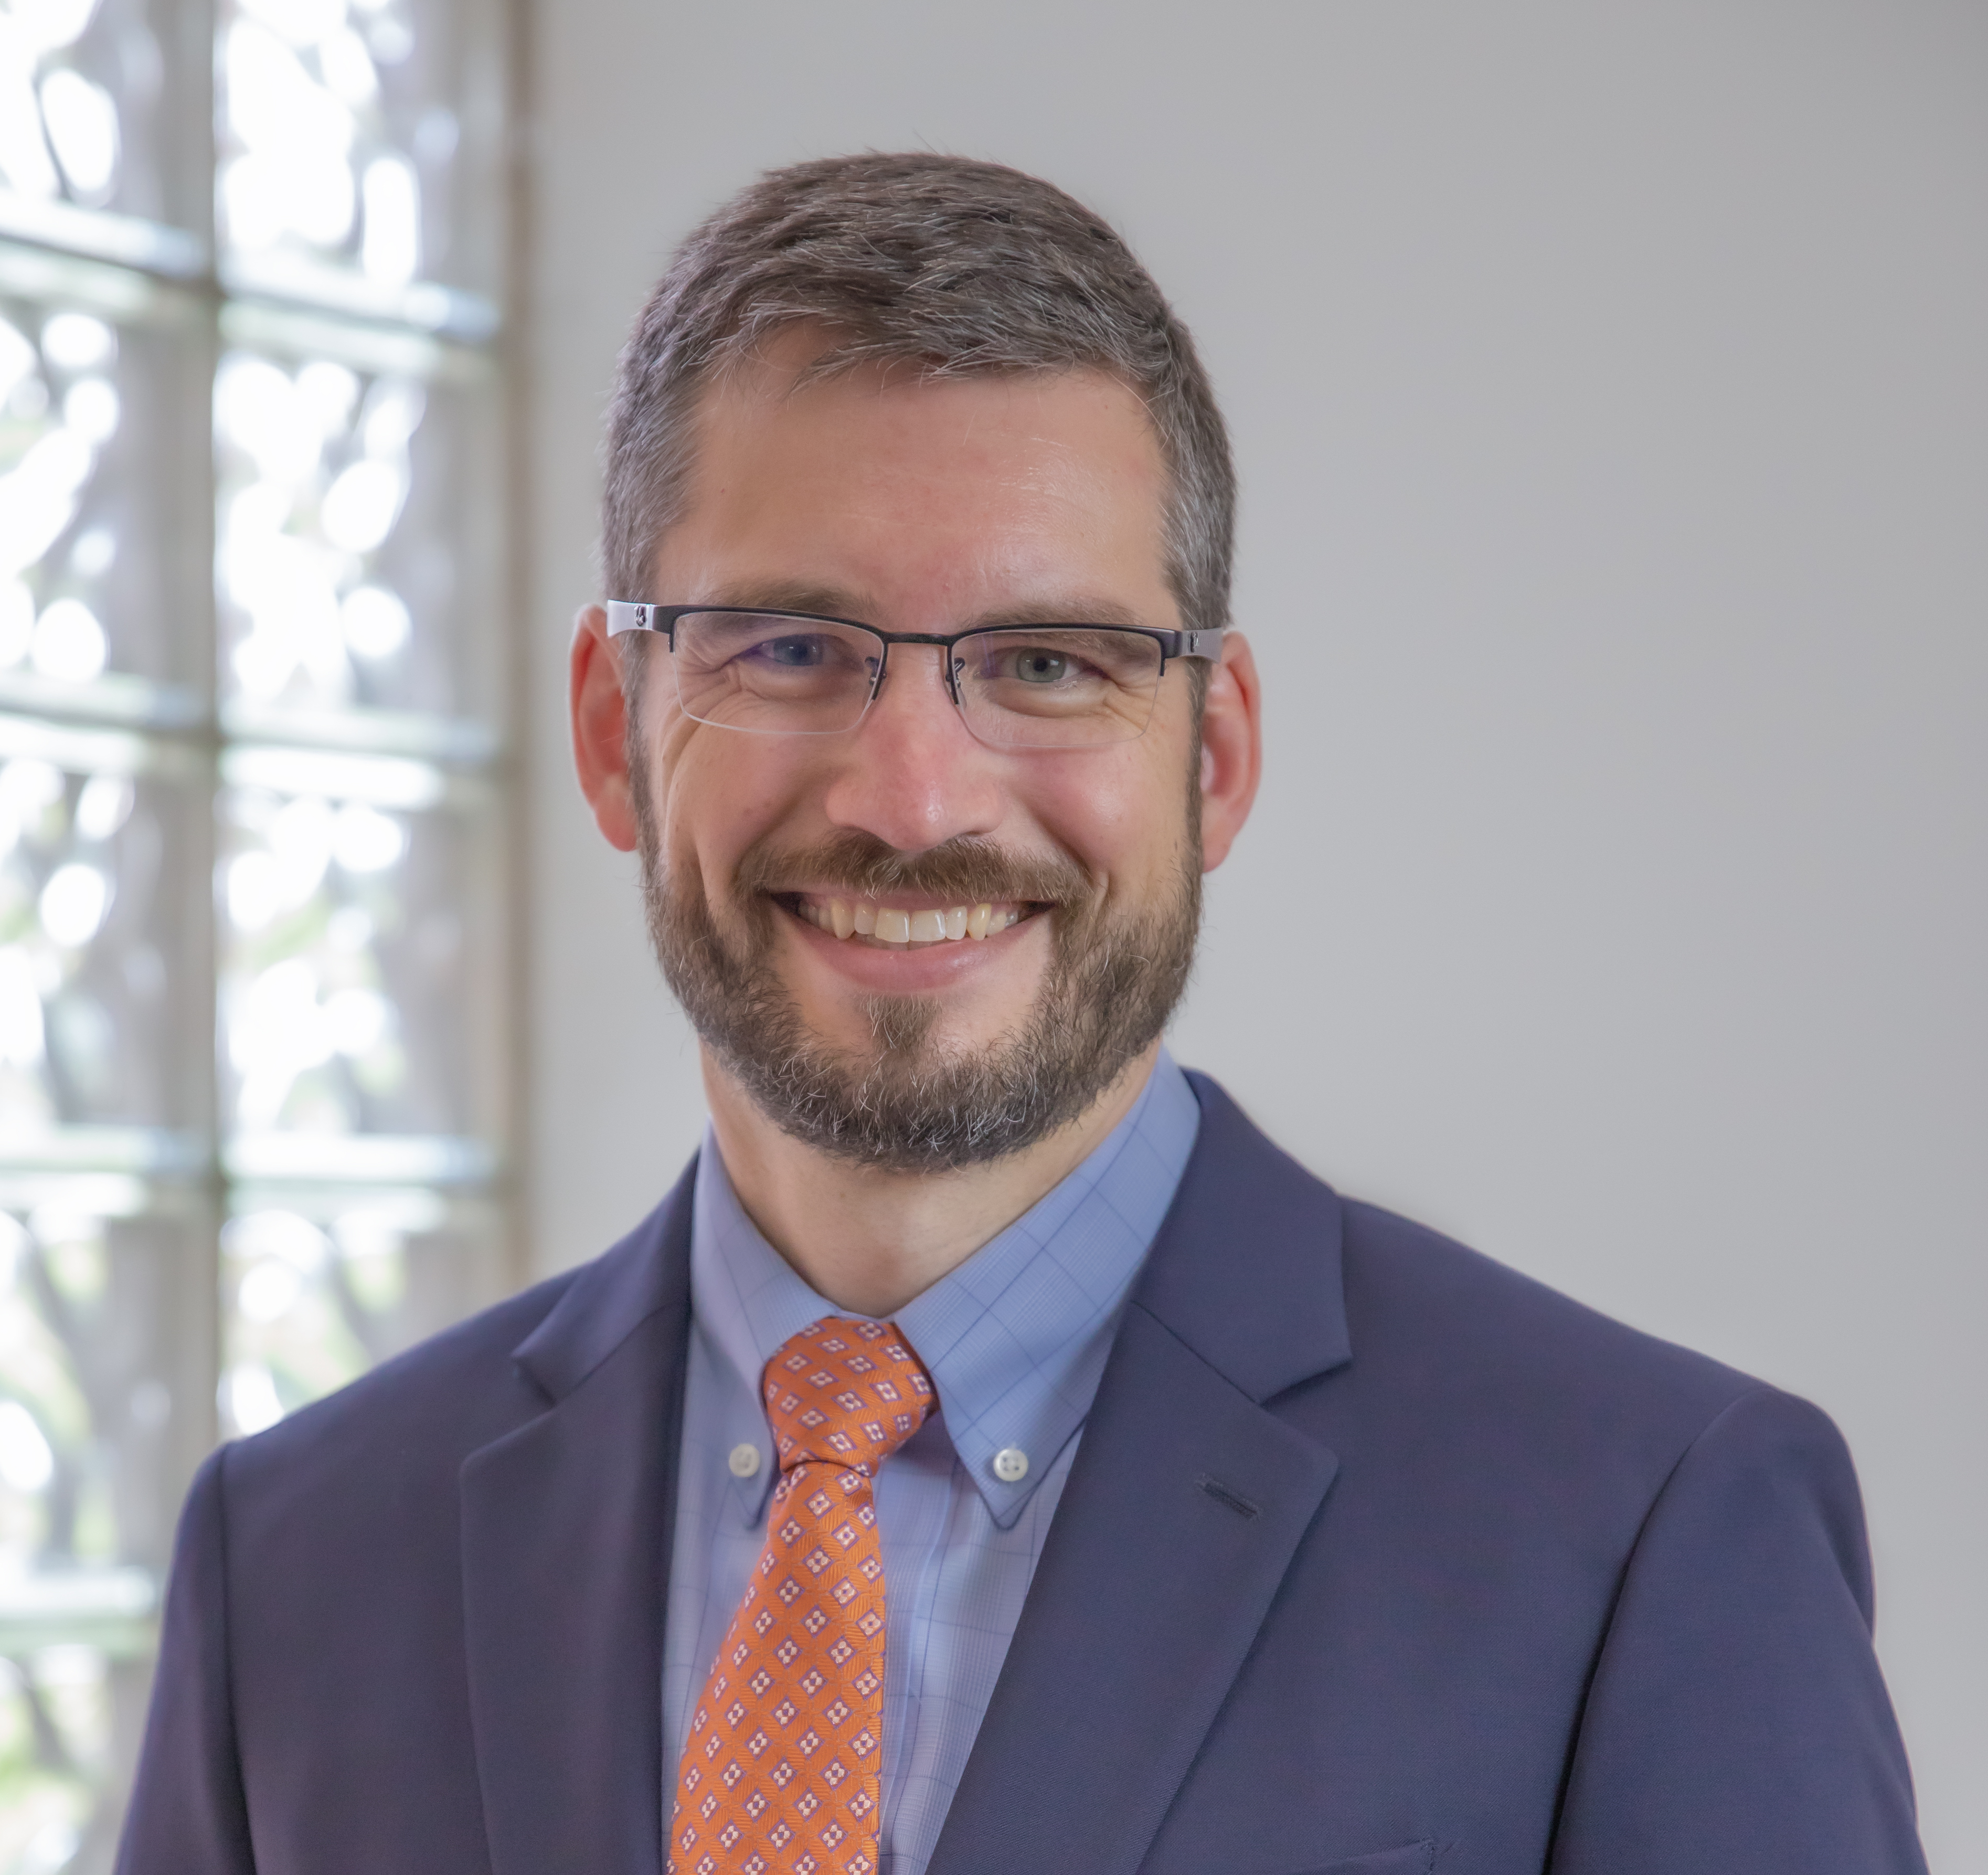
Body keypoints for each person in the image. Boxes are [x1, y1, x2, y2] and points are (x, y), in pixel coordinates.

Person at [118, 154, 1928, 1875]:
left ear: (1212, 760)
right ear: (614, 728)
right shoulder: (295, 1566)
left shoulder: (1645, 1530)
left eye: (1048, 663)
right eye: (792, 648)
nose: (915, 800)